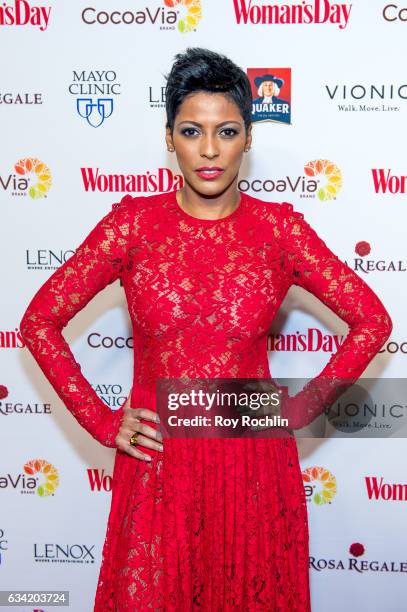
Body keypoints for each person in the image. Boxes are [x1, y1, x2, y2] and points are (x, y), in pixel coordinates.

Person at [19, 47, 393, 611]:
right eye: (192, 130)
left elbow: (373, 320)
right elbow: (38, 321)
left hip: (252, 467)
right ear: (169, 137)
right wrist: (101, 420)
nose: (211, 150)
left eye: (229, 131)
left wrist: (303, 405)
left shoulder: (278, 230)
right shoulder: (132, 227)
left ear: (249, 137)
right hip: (159, 464)